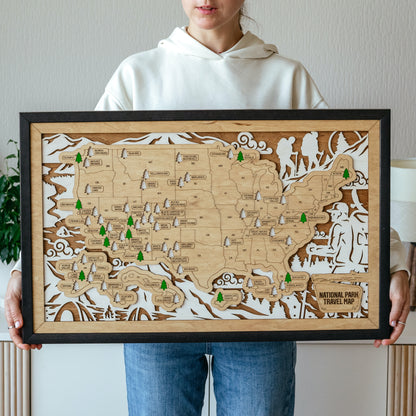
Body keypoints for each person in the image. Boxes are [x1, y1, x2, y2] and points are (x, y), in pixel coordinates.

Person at [4, 1, 410, 415]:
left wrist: (395, 266)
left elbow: (351, 179)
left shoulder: (286, 77)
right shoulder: (137, 74)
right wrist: (27, 273)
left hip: (262, 315)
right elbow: (88, 186)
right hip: (155, 315)